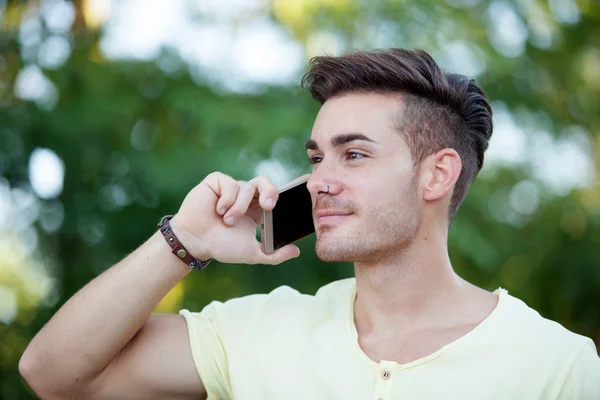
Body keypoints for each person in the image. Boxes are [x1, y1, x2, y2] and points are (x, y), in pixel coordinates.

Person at [19, 48, 599, 400]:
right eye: (317, 157)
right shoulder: (255, 332)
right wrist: (183, 242)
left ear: (436, 175)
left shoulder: (558, 366)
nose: (319, 179)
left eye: (354, 154)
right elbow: (52, 374)